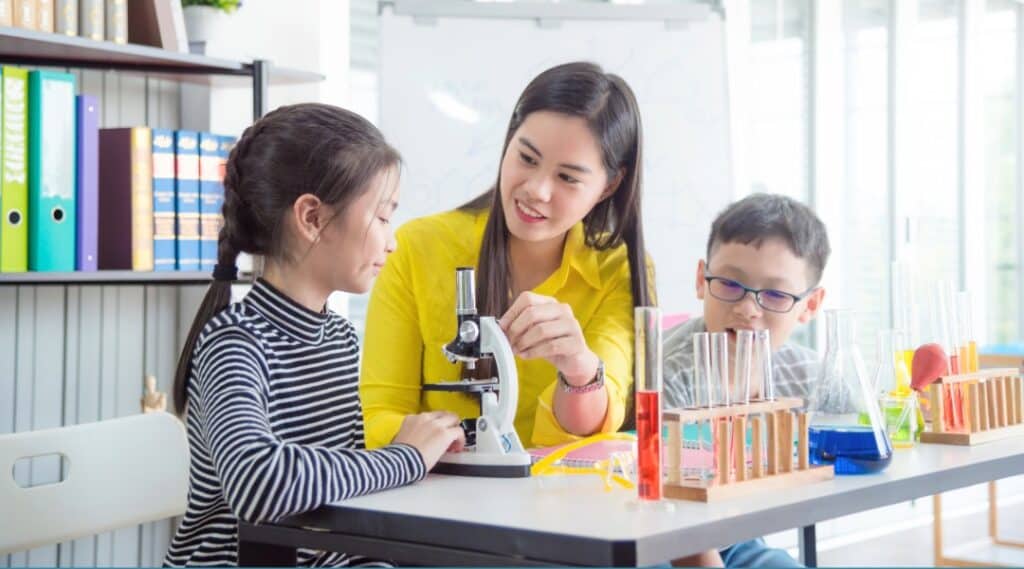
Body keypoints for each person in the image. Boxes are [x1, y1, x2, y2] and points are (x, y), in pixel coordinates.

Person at [164, 103, 465, 567]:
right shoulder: (235, 344)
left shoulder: (339, 339)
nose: (392, 242)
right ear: (311, 217)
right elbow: (257, 484)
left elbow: (334, 513)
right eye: (382, 218)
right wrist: (405, 458)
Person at [359, 61, 651, 450]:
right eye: (527, 158)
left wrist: (579, 367)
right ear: (509, 140)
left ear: (609, 186)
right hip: (443, 483)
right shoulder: (417, 247)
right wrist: (456, 447)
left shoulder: (618, 268)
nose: (537, 190)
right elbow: (378, 416)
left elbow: (593, 428)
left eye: (567, 178)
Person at [663, 193, 830, 567]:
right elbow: (674, 524)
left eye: (775, 294)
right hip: (662, 540)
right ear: (701, 280)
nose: (747, 308)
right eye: (729, 284)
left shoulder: (809, 376)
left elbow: (870, 445)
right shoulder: (671, 377)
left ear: (810, 305)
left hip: (736, 538)